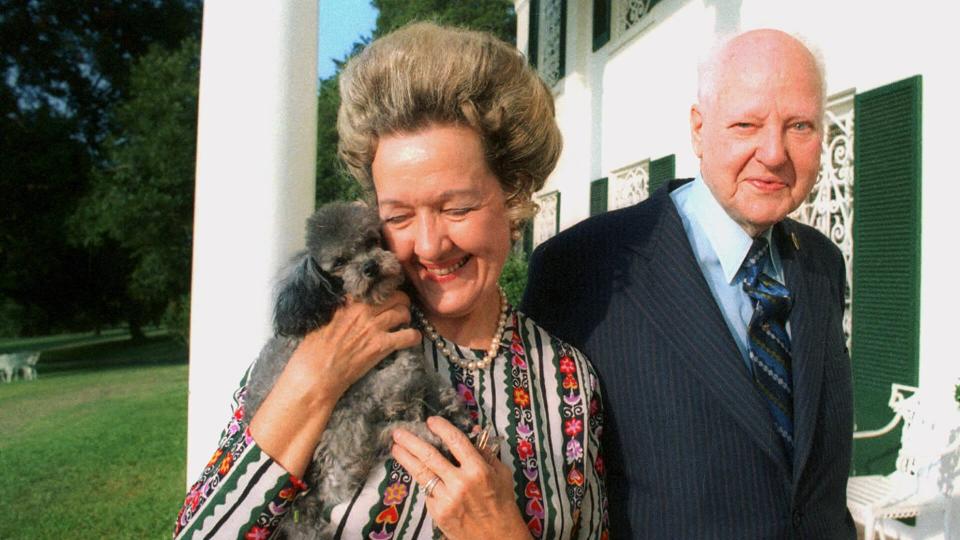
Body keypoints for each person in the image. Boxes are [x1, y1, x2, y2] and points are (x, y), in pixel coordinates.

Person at [174, 22, 607, 539]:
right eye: (398, 217)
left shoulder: (568, 380)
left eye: (458, 207)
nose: (428, 245)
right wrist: (314, 381)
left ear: (513, 195)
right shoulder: (314, 347)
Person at [522, 29, 854, 539]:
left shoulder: (822, 264)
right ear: (698, 130)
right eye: (746, 124)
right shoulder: (582, 268)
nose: (773, 152)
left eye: (800, 126)